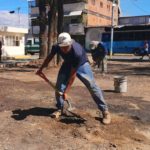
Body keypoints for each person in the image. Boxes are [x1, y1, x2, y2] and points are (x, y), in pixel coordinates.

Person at [36, 32, 111, 125]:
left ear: (70, 43)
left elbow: (72, 76)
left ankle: (105, 111)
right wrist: (41, 69)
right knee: (59, 86)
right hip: (67, 63)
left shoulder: (77, 52)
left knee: (92, 86)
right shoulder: (56, 47)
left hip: (82, 64)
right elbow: (49, 57)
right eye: (62, 47)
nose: (64, 49)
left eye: (66, 47)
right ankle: (60, 108)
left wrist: (66, 91)